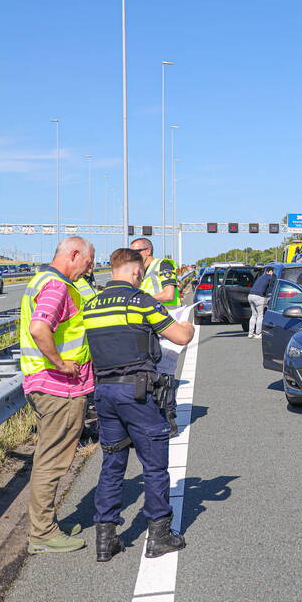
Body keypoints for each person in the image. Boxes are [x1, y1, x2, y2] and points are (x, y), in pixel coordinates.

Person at [83, 248, 195, 562]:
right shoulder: (140, 301)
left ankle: (105, 538)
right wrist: (189, 326)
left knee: (112, 464)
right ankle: (159, 535)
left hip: (104, 393)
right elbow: (179, 336)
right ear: (136, 271)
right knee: (154, 465)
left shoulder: (92, 305)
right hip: (137, 393)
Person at [19, 236, 95, 555]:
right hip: (58, 387)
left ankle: (46, 523)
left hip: (43, 383)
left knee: (47, 457)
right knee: (52, 461)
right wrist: (61, 363)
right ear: (73, 254)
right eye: (88, 263)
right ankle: (43, 533)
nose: (88, 269)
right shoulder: (58, 286)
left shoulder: (40, 280)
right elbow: (39, 328)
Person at [130, 238, 181, 434]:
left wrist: (139, 300)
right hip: (147, 324)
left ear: (148, 251)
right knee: (147, 371)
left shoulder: (163, 265)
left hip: (166, 322)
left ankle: (169, 419)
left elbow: (169, 294)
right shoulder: (137, 271)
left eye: (136, 251)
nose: (133, 255)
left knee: (165, 373)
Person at [247, 269, 274, 339]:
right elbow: (273, 287)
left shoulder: (260, 277)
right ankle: (258, 333)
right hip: (258, 297)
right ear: (269, 272)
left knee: (253, 315)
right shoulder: (270, 277)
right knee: (260, 315)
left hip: (250, 295)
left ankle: (250, 334)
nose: (272, 273)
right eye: (272, 272)